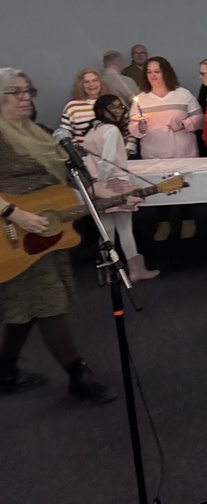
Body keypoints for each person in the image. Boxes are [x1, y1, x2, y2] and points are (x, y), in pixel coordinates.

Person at [0, 68, 115, 402]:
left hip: (46, 230)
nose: (25, 98)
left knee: (28, 306)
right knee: (48, 303)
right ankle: (78, 375)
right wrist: (14, 213)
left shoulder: (38, 132)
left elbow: (69, 176)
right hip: (13, 231)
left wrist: (110, 192)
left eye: (28, 90)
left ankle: (5, 370)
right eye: (16, 92)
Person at [82, 95, 159, 282]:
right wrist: (101, 182)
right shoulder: (111, 130)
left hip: (97, 184)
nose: (117, 111)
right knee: (125, 229)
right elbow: (107, 161)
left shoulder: (91, 131)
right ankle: (136, 270)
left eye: (119, 107)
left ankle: (110, 271)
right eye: (113, 107)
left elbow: (88, 160)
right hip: (114, 181)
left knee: (106, 231)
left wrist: (95, 184)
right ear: (102, 109)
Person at [128, 57, 204, 241]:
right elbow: (132, 126)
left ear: (166, 73)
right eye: (149, 72)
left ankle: (188, 220)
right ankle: (163, 222)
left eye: (157, 71)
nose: (153, 75)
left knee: (184, 186)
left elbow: (200, 118)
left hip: (183, 152)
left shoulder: (182, 94)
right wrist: (140, 128)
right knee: (159, 188)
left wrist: (184, 124)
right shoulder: (142, 99)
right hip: (154, 154)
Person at [59, 68, 110, 145]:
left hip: (112, 150)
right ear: (80, 85)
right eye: (86, 82)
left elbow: (124, 129)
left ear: (101, 83)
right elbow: (65, 134)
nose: (91, 84)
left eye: (95, 80)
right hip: (83, 151)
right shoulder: (72, 106)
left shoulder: (111, 102)